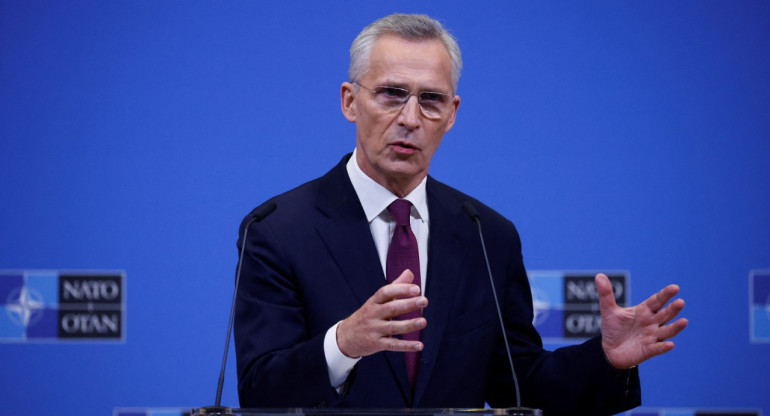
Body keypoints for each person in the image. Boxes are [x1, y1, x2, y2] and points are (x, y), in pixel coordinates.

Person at [233, 13, 687, 415]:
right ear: (350, 101)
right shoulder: (277, 229)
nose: (410, 117)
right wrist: (344, 343)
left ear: (451, 114)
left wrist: (603, 359)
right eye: (392, 94)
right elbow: (260, 392)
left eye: (430, 100)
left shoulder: (487, 235)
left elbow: (521, 386)